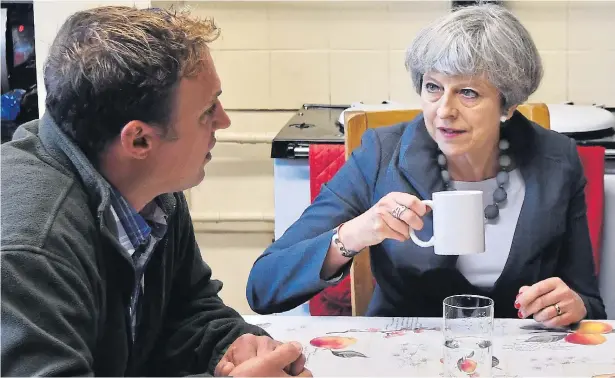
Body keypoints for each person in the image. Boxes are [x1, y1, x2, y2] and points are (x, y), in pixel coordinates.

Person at [247, 3, 606, 325]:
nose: (444, 110)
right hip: (404, 355)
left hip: (515, 359)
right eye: (433, 87)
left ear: (508, 106)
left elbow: (589, 304)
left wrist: (571, 304)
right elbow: (264, 288)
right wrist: (354, 235)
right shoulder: (380, 154)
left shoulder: (557, 160)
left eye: (468, 92)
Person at [0, 6, 311, 377]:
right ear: (140, 139)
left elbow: (186, 309)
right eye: (207, 111)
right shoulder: (33, 245)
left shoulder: (150, 189)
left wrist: (232, 346)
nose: (224, 121)